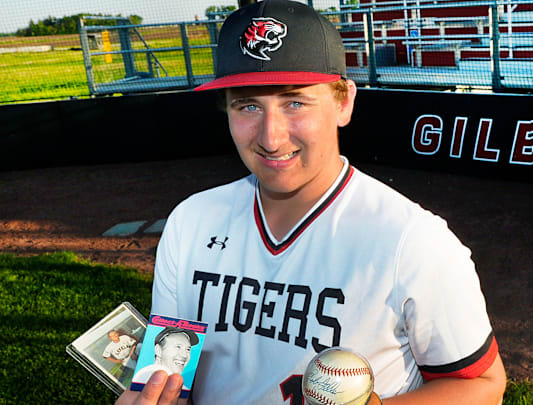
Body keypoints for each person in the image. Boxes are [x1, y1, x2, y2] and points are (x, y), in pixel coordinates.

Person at [116, 0, 506, 404]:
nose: (271, 137)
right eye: (248, 105)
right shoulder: (190, 221)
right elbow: (171, 369)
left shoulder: (411, 240)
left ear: (343, 102)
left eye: (295, 102)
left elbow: (482, 385)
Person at [131, 327, 198, 390]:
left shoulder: (182, 388)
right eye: (178, 347)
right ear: (158, 350)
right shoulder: (140, 382)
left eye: (188, 349)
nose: (184, 355)